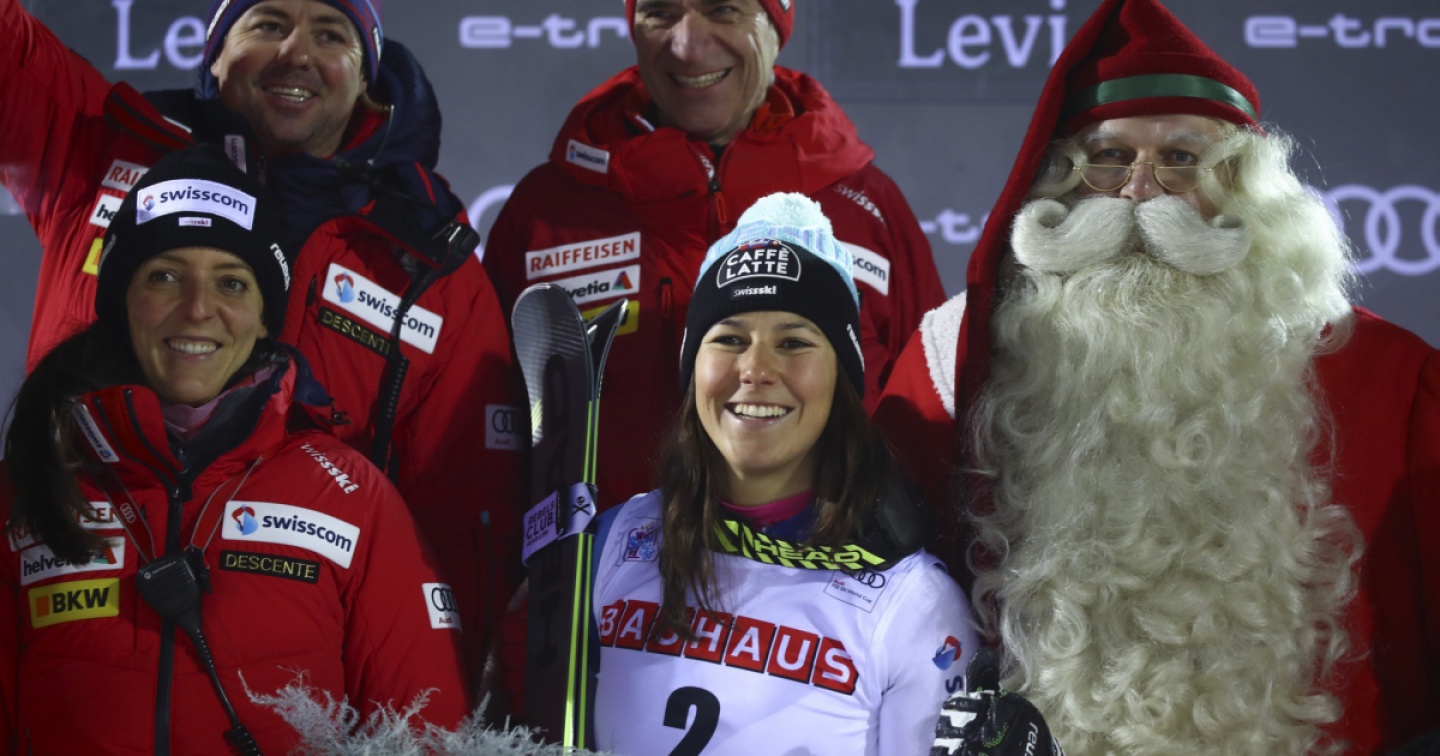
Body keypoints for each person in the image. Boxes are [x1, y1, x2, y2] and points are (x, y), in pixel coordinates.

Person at [874, 0, 1440, 753]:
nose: (1140, 192)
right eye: (1109, 157)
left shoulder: (1388, 377)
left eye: (1181, 159)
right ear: (1059, 182)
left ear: (1242, 185)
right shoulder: (955, 358)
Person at [0, 0, 521, 681]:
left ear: (368, 78)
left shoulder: (428, 264)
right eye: (267, 25)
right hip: (65, 614)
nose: (295, 53)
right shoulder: (101, 145)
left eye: (330, 34)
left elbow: (461, 537)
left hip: (289, 668)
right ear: (213, 56)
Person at [0, 145, 469, 753]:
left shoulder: (349, 497)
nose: (198, 309)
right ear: (121, 301)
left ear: (265, 316)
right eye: (164, 275)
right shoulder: (29, 486)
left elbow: (427, 736)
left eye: (231, 283)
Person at [484, 0, 946, 513]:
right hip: (602, 563)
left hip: (831, 557)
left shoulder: (868, 207)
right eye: (660, 12)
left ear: (776, 24)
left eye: (723, 9)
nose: (687, 45)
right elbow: (484, 454)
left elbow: (932, 433)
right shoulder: (546, 210)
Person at [589, 192, 977, 754]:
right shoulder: (611, 544)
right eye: (729, 339)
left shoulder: (913, 604)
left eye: (794, 343)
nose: (755, 369)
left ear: (841, 379)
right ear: (692, 369)